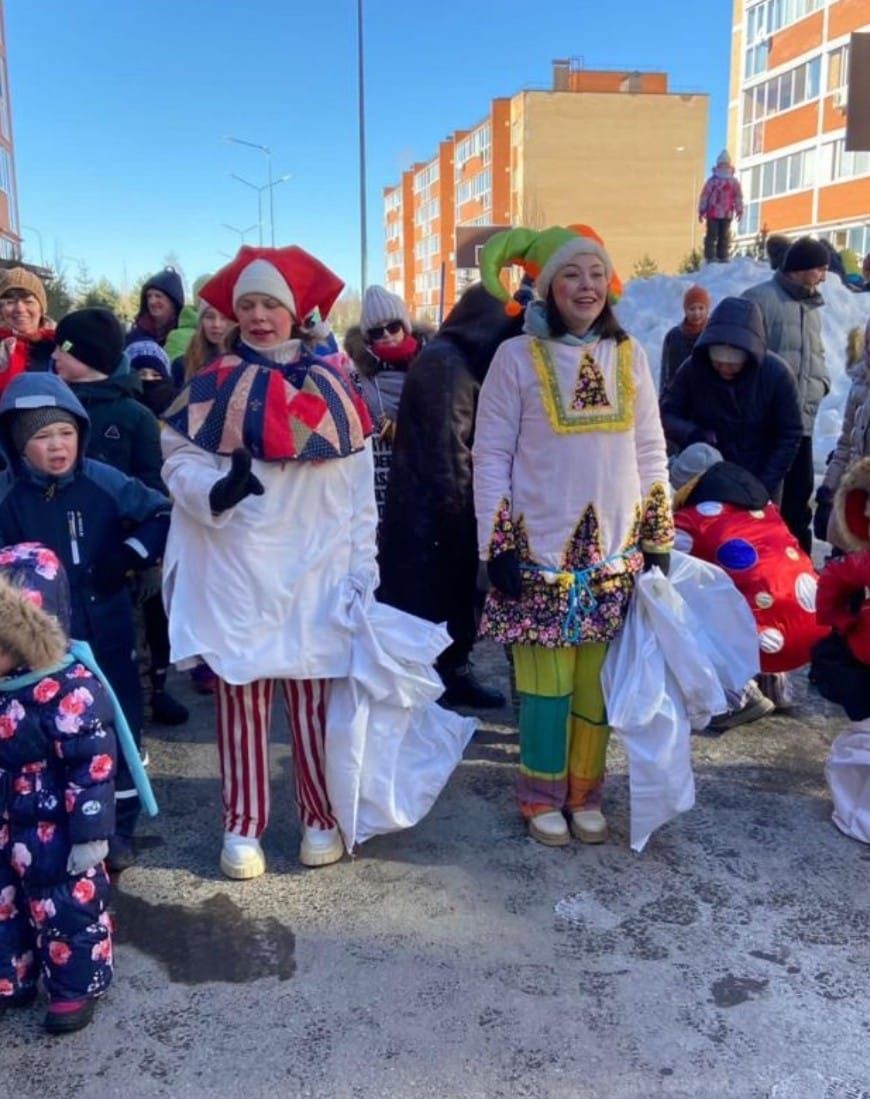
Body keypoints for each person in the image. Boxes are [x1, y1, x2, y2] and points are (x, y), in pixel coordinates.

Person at [160, 244, 376, 880]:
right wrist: (215, 493)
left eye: (271, 305)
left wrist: (364, 565)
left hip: (315, 566)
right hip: (239, 565)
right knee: (243, 699)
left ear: (294, 312)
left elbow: (360, 485)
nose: (258, 316)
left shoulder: (334, 385)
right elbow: (178, 461)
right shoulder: (212, 386)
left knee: (313, 699)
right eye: (246, 304)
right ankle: (242, 824)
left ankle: (318, 815)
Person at [472, 224, 673, 847]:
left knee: (596, 689)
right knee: (545, 689)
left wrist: (657, 532)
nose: (584, 286)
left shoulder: (631, 353)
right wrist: (495, 544)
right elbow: (490, 455)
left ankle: (586, 793)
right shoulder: (514, 358)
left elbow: (650, 448)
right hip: (539, 557)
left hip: (613, 557)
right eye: (570, 275)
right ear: (548, 287)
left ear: (606, 285)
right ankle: (540, 797)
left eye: (594, 274)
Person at [0, 373, 171, 871]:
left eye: (66, 434)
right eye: (41, 437)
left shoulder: (102, 480)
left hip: (106, 635)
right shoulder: (7, 496)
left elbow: (159, 514)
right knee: (43, 743)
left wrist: (129, 553)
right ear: (17, 443)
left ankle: (118, 828)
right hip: (30, 654)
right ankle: (49, 830)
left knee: (114, 733)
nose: (57, 447)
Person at [377, 283, 526, 710]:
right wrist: (468, 515)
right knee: (440, 600)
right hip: (438, 510)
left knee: (446, 599)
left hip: (430, 507)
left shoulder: (450, 358)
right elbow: (450, 450)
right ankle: (441, 678)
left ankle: (449, 672)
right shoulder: (449, 367)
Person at [52, 310, 188, 727]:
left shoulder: (134, 415)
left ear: (89, 356)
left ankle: (141, 707)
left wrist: (142, 553)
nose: (54, 354)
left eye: (64, 348)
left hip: (123, 549)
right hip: (64, 543)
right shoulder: (53, 407)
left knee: (136, 636)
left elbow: (153, 485)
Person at [0, 543, 116, 1033]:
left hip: (55, 827)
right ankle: (12, 978)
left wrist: (90, 832)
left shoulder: (70, 688)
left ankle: (75, 984)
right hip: (6, 823)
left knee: (66, 906)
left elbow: (93, 762)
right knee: (5, 908)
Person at [670, 443, 826, 722]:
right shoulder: (765, 507)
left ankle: (736, 697)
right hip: (813, 624)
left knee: (680, 598)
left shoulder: (692, 522)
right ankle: (774, 686)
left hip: (768, 638)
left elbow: (665, 569)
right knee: (760, 586)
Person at [660, 296, 802, 502]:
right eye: (718, 363)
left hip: (760, 479)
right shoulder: (694, 368)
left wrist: (762, 485)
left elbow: (789, 434)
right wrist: (692, 433)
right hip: (706, 479)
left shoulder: (777, 375)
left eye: (733, 364)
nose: (725, 368)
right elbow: (666, 413)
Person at [742, 236, 830, 553]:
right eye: (819, 269)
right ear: (798, 269)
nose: (824, 276)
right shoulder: (759, 300)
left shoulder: (812, 308)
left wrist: (822, 384)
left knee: (798, 501)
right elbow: (743, 356)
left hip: (802, 424)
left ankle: (800, 569)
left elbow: (816, 356)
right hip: (767, 427)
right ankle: (763, 563)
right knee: (763, 500)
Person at [344, 286, 431, 521]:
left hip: (425, 484)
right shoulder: (354, 378)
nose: (387, 335)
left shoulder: (434, 368)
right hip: (377, 491)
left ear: (405, 327)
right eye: (376, 332)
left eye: (393, 327)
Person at [815, 319, 870, 546]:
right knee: (842, 570)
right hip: (854, 498)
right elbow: (846, 443)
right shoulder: (861, 382)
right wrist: (828, 489)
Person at [0, 268, 54, 397]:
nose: (19, 309)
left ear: (41, 309)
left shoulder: (60, 343)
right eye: (10, 302)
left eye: (28, 301)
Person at [659, 284, 710, 396]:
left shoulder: (713, 333)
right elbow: (666, 372)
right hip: (681, 394)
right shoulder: (674, 336)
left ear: (707, 309)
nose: (697, 313)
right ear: (685, 310)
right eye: (692, 308)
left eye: (701, 308)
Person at [169, 299, 230, 390]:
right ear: (201, 321)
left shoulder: (244, 361)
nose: (216, 324)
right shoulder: (182, 364)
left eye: (224, 318)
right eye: (210, 317)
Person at [698, 151, 743, 264]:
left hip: (726, 213)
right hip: (713, 213)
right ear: (718, 165)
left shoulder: (733, 182)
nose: (723, 167)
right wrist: (702, 210)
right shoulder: (712, 181)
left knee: (724, 235)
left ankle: (722, 256)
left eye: (725, 164)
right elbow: (705, 195)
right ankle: (710, 256)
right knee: (712, 234)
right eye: (721, 164)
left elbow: (738, 197)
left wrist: (739, 209)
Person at [127, 267, 184, 347]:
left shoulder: (185, 336)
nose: (152, 301)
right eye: (149, 296)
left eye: (158, 296)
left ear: (173, 302)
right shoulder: (136, 335)